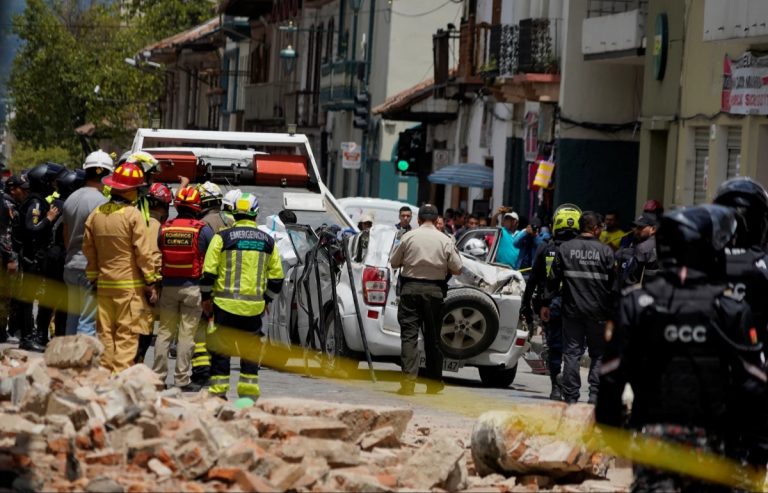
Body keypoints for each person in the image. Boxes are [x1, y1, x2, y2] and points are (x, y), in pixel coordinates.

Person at [596, 205, 767, 491]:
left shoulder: (636, 304)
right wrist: (758, 450)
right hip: (713, 449)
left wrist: (614, 433)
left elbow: (612, 376)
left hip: (654, 443)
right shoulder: (730, 308)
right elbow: (753, 385)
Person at [201, 192, 284, 401]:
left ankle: (219, 394)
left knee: (221, 352)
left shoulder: (222, 237)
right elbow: (277, 279)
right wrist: (267, 300)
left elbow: (208, 272)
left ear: (234, 213)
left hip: (224, 305)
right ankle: (247, 397)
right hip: (253, 309)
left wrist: (205, 299)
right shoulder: (268, 241)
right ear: (255, 214)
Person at [83, 162, 161, 373]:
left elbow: (88, 249)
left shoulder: (96, 214)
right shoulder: (132, 215)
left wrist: (93, 277)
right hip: (130, 289)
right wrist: (151, 282)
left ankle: (106, 373)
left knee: (105, 333)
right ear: (129, 190)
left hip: (104, 285)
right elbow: (143, 253)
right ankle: (120, 376)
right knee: (126, 335)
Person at [390, 204, 463, 396]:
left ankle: (407, 383)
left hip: (410, 290)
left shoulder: (408, 237)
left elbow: (393, 262)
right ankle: (433, 383)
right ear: (437, 218)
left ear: (419, 220)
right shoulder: (444, 239)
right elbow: (458, 268)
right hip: (434, 292)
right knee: (433, 338)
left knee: (409, 337)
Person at [542, 211, 614, 404]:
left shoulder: (565, 249)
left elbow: (552, 279)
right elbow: (614, 285)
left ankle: (571, 396)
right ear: (596, 228)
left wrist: (546, 303)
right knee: (598, 353)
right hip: (598, 312)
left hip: (572, 311)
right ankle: (595, 394)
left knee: (572, 353)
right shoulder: (606, 252)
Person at [154, 186, 213, 391]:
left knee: (164, 333)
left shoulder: (166, 227)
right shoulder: (202, 229)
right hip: (193, 288)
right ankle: (181, 379)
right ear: (197, 206)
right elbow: (211, 258)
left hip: (168, 286)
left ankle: (158, 378)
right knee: (187, 335)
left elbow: (159, 250)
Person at [520, 204, 581, 400]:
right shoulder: (583, 249)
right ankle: (568, 385)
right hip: (578, 306)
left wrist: (526, 304)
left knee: (554, 348)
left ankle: (556, 385)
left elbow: (534, 278)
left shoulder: (546, 247)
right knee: (574, 348)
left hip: (551, 304)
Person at [63, 151, 113, 337]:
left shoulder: (71, 198)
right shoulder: (102, 203)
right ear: (107, 175)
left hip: (71, 264)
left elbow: (66, 235)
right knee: (87, 321)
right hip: (89, 268)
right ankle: (82, 363)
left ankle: (67, 359)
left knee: (73, 317)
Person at [17, 164, 61, 351]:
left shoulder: (38, 200)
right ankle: (27, 338)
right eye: (51, 181)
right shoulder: (35, 203)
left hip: (34, 257)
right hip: (31, 258)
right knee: (27, 299)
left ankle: (29, 335)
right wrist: (49, 219)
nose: (53, 185)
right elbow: (32, 228)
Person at [134, 182, 172, 364]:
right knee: (145, 327)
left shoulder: (135, 218)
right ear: (160, 205)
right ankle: (137, 365)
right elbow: (154, 257)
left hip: (129, 280)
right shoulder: (155, 225)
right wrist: (154, 284)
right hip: (146, 283)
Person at [615, 212, 659, 289]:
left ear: (653, 229)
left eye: (640, 227)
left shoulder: (642, 248)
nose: (636, 230)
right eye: (636, 227)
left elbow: (632, 279)